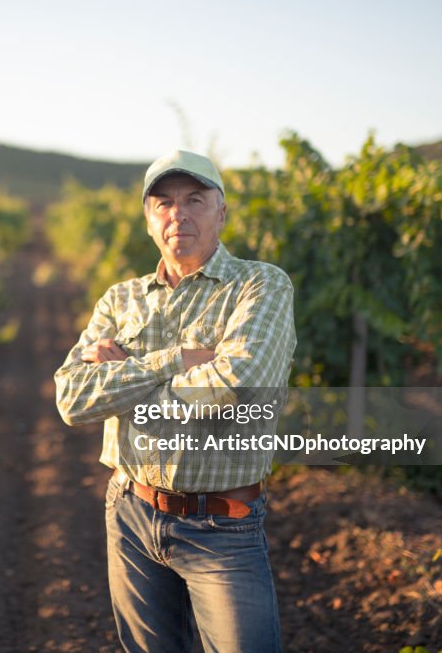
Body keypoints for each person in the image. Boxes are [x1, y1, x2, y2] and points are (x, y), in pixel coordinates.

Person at [54, 149, 296, 652]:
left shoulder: (260, 284)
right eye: (162, 203)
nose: (177, 214)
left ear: (221, 212)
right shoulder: (120, 300)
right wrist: (175, 360)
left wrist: (122, 377)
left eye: (194, 200)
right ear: (148, 220)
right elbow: (73, 398)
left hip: (222, 526)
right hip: (131, 514)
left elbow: (239, 385)